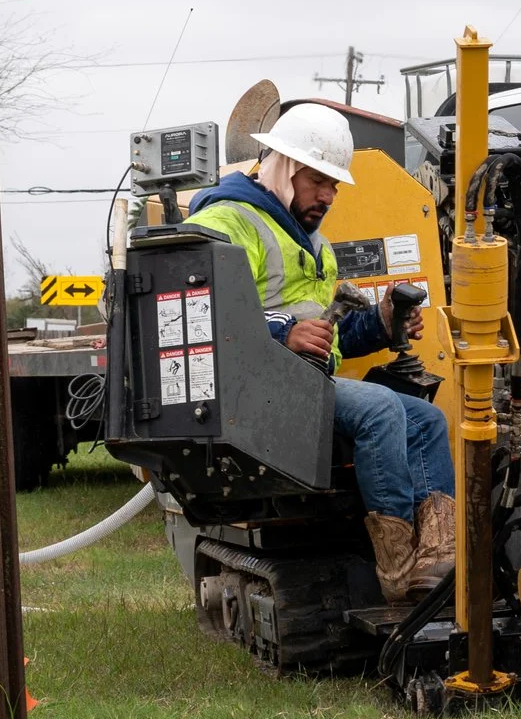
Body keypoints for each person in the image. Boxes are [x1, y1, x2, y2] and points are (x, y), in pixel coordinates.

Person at [184, 103, 457, 603]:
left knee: (426, 420)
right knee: (379, 409)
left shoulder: (315, 244)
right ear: (285, 168)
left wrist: (378, 324)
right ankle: (396, 570)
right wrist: (282, 333)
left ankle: (436, 562)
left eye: (334, 185)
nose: (329, 196)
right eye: (319, 182)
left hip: (306, 385)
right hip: (252, 390)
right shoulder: (226, 220)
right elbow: (201, 312)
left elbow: (327, 341)